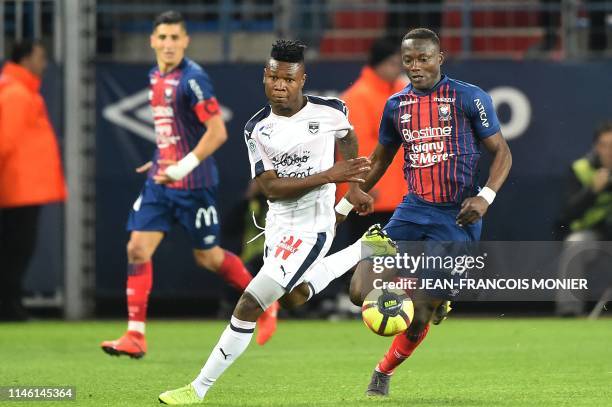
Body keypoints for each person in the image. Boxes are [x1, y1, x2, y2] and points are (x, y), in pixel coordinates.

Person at [157, 39, 396, 405]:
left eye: (287, 79)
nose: (279, 86)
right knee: (293, 298)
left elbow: (347, 135)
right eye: (272, 78)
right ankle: (365, 248)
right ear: (264, 77)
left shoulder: (331, 111)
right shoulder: (257, 129)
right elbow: (271, 189)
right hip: (279, 224)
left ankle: (197, 389)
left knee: (250, 303)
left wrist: (354, 186)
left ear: (302, 80)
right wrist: (331, 176)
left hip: (313, 228)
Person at [339, 28, 512, 396]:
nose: (415, 66)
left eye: (423, 58)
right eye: (408, 60)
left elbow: (503, 152)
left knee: (417, 318)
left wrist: (485, 197)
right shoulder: (396, 105)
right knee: (358, 291)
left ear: (439, 58)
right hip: (411, 210)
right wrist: (346, 202)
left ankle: (382, 371)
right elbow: (382, 159)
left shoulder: (469, 98)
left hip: (456, 217)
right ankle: (421, 287)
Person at [100, 10, 278, 358]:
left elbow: (217, 132)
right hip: (160, 182)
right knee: (137, 248)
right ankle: (135, 335)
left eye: (174, 38)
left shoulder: (193, 80)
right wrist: (159, 159)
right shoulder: (155, 75)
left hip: (193, 184)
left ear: (185, 41)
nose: (168, 44)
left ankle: (267, 303)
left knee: (208, 258)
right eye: (162, 37)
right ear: (152, 41)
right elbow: (176, 132)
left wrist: (180, 167)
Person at [0, 40, 67, 321]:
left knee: (15, 250)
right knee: (16, 250)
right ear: (25, 59)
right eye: (40, 57)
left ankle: (11, 304)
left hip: (21, 187)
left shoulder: (19, 91)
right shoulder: (16, 94)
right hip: (17, 189)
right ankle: (8, 307)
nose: (44, 63)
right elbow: (4, 141)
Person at [337, 36, 407, 238]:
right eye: (394, 63)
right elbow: (354, 150)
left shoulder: (405, 91)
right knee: (371, 261)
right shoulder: (357, 97)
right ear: (379, 63)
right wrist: (364, 186)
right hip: (371, 199)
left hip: (401, 199)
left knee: (398, 263)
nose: (399, 68)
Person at [555, 122, 612, 316]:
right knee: (575, 243)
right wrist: (592, 191)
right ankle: (569, 311)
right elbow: (566, 215)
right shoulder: (581, 169)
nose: (610, 151)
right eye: (606, 145)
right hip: (595, 236)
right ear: (597, 147)